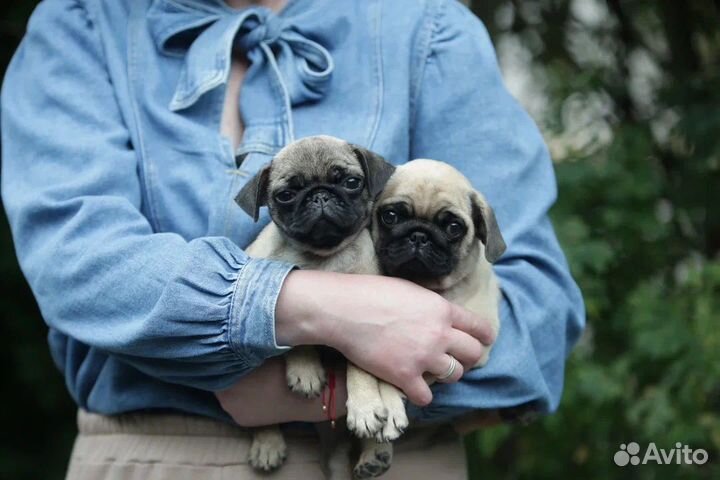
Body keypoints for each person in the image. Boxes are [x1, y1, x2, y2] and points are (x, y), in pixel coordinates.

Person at [0, 0, 585, 478]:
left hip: (398, 453)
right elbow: (79, 263)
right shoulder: (80, 22)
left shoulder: (427, 25)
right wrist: (311, 307)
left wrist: (331, 391)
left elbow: (538, 315)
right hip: (158, 452)